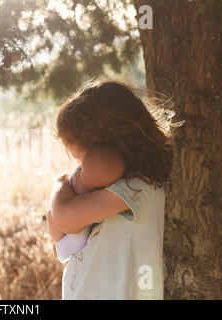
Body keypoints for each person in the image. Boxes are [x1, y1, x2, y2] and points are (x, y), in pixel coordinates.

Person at [47, 80, 173, 299]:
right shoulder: (112, 188)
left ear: (103, 150)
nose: (79, 167)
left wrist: (60, 184)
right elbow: (60, 232)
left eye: (81, 159)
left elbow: (63, 219)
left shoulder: (137, 189)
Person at [54, 145, 126, 263]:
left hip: (69, 226)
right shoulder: (105, 187)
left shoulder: (81, 185)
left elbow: (63, 220)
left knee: (74, 238)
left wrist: (60, 183)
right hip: (67, 222)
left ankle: (62, 250)